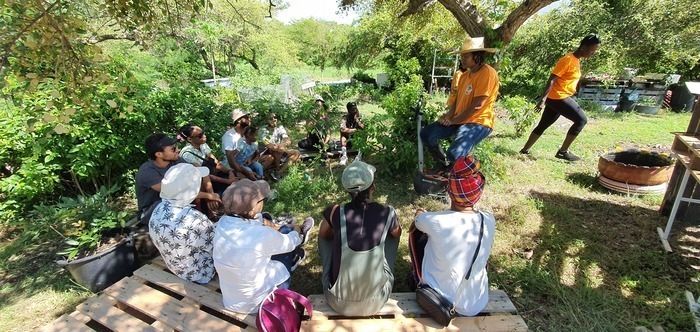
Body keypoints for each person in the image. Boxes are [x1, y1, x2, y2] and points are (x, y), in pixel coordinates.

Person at [408, 155, 496, 316]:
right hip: (477, 302)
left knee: (417, 234)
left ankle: (416, 277)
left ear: (449, 191)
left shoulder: (435, 221)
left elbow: (418, 221)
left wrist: (421, 212)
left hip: (438, 300)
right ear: (478, 194)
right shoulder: (488, 219)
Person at [213, 179, 314, 313]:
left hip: (230, 300)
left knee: (274, 240)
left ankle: (289, 239)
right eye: (260, 200)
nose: (263, 201)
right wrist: (296, 231)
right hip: (259, 303)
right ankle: (295, 254)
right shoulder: (261, 235)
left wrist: (267, 223)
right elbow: (289, 243)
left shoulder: (223, 223)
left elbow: (255, 221)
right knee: (286, 240)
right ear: (253, 208)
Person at [318, 160, 401, 316]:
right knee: (391, 234)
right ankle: (379, 276)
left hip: (337, 301)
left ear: (347, 189)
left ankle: (332, 275)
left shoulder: (335, 211)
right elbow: (397, 234)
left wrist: (338, 235)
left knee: (325, 235)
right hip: (376, 301)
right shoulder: (387, 212)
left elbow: (323, 236)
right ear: (373, 187)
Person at [420, 36, 499, 173]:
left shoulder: (487, 73)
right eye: (462, 56)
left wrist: (454, 121)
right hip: (460, 120)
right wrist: (448, 117)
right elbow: (457, 101)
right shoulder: (464, 76)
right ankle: (444, 165)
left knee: (456, 152)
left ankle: (466, 173)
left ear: (477, 56)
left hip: (478, 122)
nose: (462, 59)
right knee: (427, 133)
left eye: (466, 56)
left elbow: (477, 106)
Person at [519, 34, 602, 161]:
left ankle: (524, 150)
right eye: (592, 50)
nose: (593, 53)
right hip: (558, 97)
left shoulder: (576, 60)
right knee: (581, 120)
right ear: (584, 47)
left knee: (543, 124)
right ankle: (563, 151)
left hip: (558, 97)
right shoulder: (567, 60)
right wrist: (542, 99)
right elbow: (552, 79)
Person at [148, 163, 216, 284]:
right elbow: (217, 248)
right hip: (200, 273)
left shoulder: (158, 209)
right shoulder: (196, 220)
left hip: (174, 266)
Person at [135, 133, 221, 224]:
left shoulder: (176, 160)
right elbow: (174, 193)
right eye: (173, 149)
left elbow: (201, 172)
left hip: (174, 203)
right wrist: (209, 196)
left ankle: (203, 215)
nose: (178, 150)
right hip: (153, 209)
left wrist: (211, 195)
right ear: (159, 154)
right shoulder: (147, 172)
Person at [178, 124, 238, 193]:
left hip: (214, 177)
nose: (204, 136)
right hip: (201, 185)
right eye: (200, 135)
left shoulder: (203, 145)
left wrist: (229, 171)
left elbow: (216, 163)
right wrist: (227, 181)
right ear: (190, 139)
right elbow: (204, 175)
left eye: (203, 133)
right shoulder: (187, 154)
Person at [259, 113, 301, 178]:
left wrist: (283, 145)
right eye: (271, 118)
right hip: (266, 153)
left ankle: (279, 172)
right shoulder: (263, 130)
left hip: (280, 150)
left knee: (296, 153)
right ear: (267, 120)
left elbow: (287, 139)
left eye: (275, 117)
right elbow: (268, 145)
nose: (273, 120)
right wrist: (280, 147)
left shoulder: (279, 127)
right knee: (276, 150)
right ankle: (277, 169)